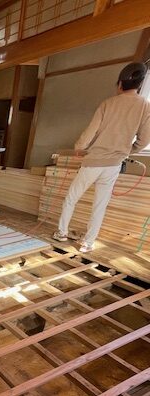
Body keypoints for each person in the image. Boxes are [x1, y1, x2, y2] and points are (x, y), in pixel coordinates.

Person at [53, 62, 150, 253]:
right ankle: (88, 243)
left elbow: (91, 130)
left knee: (71, 198)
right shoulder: (145, 106)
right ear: (139, 85)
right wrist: (128, 150)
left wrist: (79, 147)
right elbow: (145, 138)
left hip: (93, 162)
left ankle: (61, 233)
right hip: (114, 164)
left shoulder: (108, 103)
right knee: (100, 205)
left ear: (120, 84)